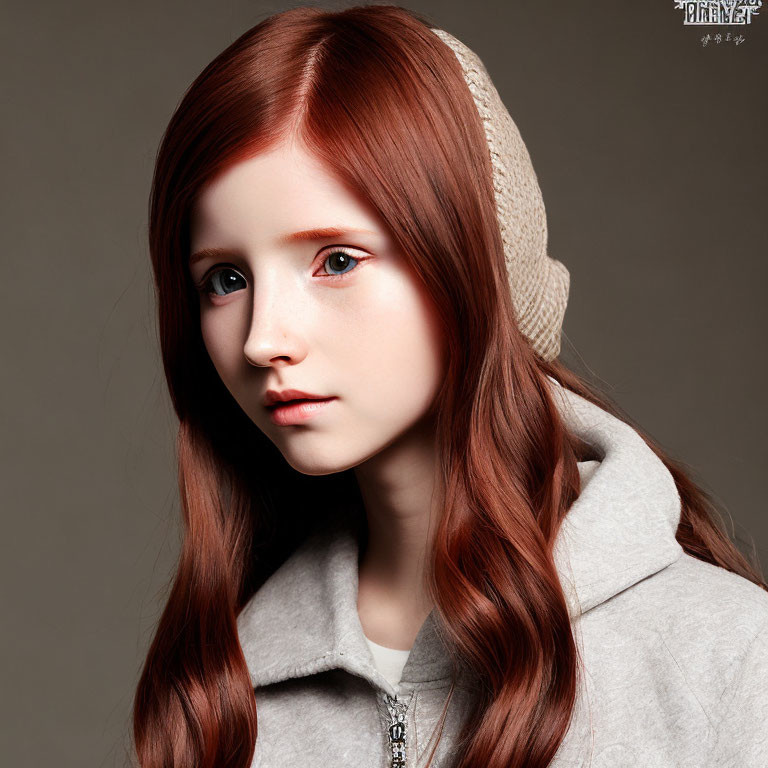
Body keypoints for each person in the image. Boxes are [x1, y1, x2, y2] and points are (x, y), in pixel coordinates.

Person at [131, 5, 768, 767]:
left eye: (336, 260)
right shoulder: (227, 698)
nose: (265, 338)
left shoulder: (727, 658)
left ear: (476, 263)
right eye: (226, 279)